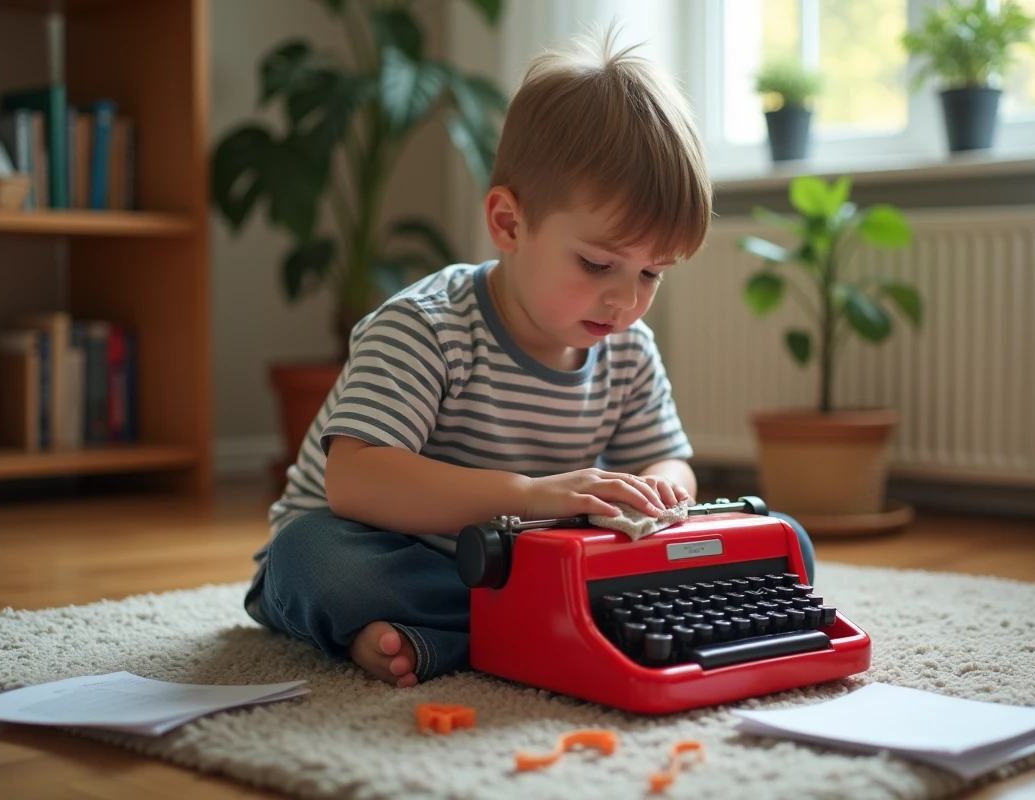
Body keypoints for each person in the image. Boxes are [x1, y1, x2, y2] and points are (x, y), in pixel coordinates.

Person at [243, 29, 816, 688]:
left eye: (653, 273)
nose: (627, 299)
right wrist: (530, 496)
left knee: (785, 546)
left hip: (535, 563)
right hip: (393, 549)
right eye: (598, 263)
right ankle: (553, 624)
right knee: (317, 565)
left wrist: (663, 494)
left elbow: (667, 459)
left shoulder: (627, 348)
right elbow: (355, 481)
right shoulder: (425, 326)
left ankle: (464, 636)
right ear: (510, 224)